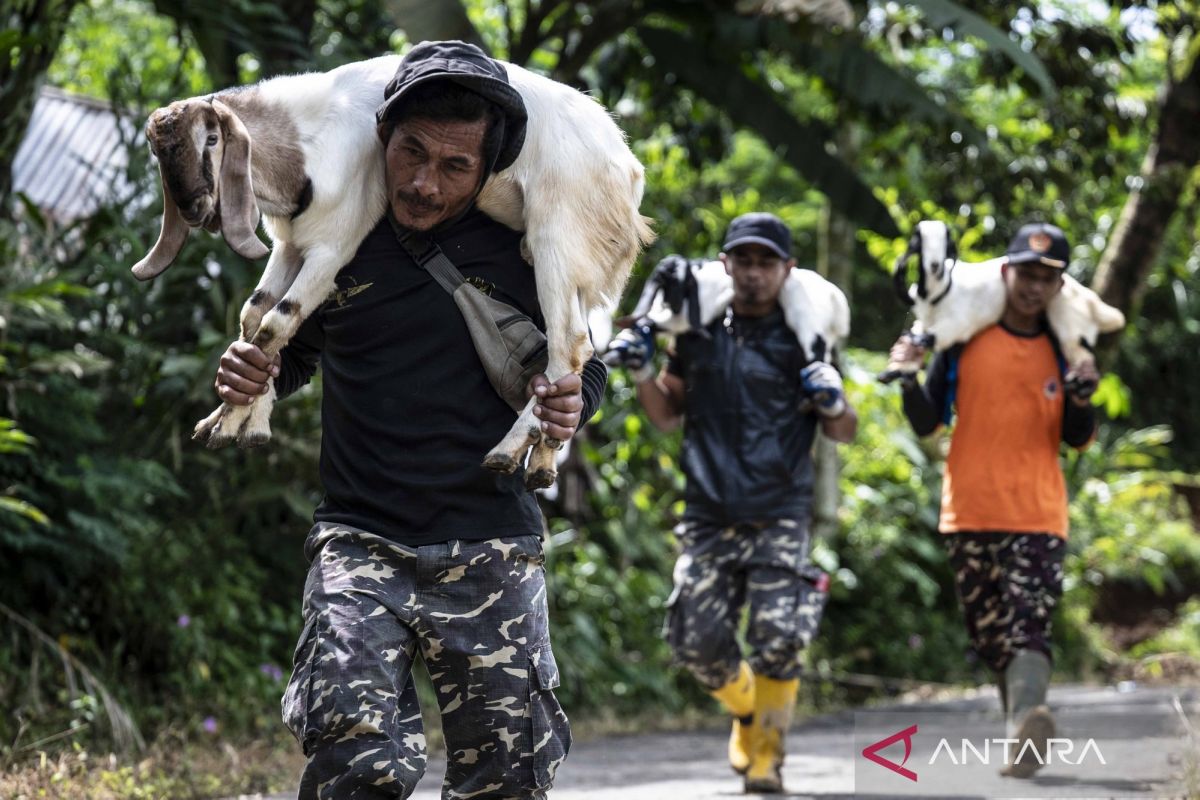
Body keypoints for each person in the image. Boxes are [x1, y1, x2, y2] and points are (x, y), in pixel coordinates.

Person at [211, 41, 607, 799]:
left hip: (491, 546)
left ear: (487, 171)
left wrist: (572, 397)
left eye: (454, 167)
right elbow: (295, 355)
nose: (424, 184)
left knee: (506, 775)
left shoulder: (531, 248)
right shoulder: (337, 236)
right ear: (382, 139)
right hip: (361, 545)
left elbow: (583, 362)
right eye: (410, 153)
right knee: (354, 765)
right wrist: (254, 371)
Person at [617, 212, 857, 794]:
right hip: (707, 513)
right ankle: (746, 709)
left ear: (786, 269)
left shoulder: (804, 338)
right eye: (743, 261)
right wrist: (644, 371)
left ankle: (768, 758)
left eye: (765, 263)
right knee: (694, 644)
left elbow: (843, 430)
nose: (753, 273)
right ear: (725, 265)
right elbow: (667, 413)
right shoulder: (696, 332)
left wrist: (830, 399)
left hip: (779, 513)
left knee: (780, 635)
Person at [889, 222, 1098, 779]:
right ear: (1005, 274)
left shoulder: (1065, 347)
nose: (1032, 287)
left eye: (1045, 278)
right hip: (968, 513)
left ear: (1059, 287)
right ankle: (1021, 728)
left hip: (1037, 515)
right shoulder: (961, 339)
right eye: (1024, 274)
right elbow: (929, 420)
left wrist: (1082, 394)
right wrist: (908, 377)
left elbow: (1078, 436)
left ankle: (1023, 725)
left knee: (1028, 624)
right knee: (989, 636)